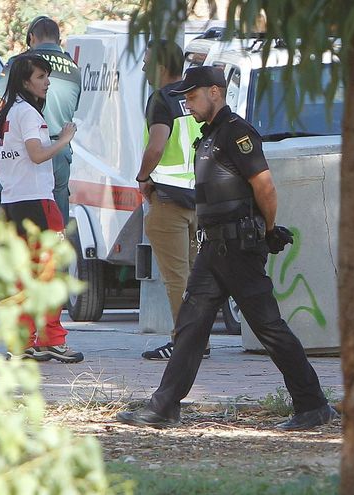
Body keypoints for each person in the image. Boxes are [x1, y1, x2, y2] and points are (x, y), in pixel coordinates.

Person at [117, 67, 335, 430]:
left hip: (238, 248)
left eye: (192, 95)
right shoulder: (210, 135)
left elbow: (264, 187)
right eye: (184, 96)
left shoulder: (238, 133)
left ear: (215, 91)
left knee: (269, 328)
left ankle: (313, 404)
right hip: (214, 248)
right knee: (190, 326)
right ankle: (165, 405)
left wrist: (267, 230)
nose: (186, 102)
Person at [0, 54, 82, 363]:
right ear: (24, 82)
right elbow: (36, 154)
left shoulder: (8, 113)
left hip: (12, 202)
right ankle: (52, 339)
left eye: (47, 77)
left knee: (23, 275)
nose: (47, 83)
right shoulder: (29, 114)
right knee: (50, 272)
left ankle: (22, 342)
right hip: (37, 201)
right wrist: (64, 139)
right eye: (41, 77)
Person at [136, 40, 205, 361]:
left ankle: (184, 343)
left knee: (176, 278)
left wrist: (142, 177)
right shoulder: (193, 96)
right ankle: (198, 341)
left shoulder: (160, 100)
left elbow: (156, 145)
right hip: (197, 200)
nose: (143, 67)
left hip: (167, 198)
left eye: (147, 61)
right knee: (192, 277)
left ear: (162, 67)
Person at [0, 16, 81, 226]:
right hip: (57, 148)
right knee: (54, 223)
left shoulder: (22, 63)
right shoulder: (73, 67)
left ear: (31, 37)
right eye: (42, 78)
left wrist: (13, 106)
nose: (47, 83)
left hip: (23, 156)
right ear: (58, 39)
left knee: (9, 221)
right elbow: (73, 107)